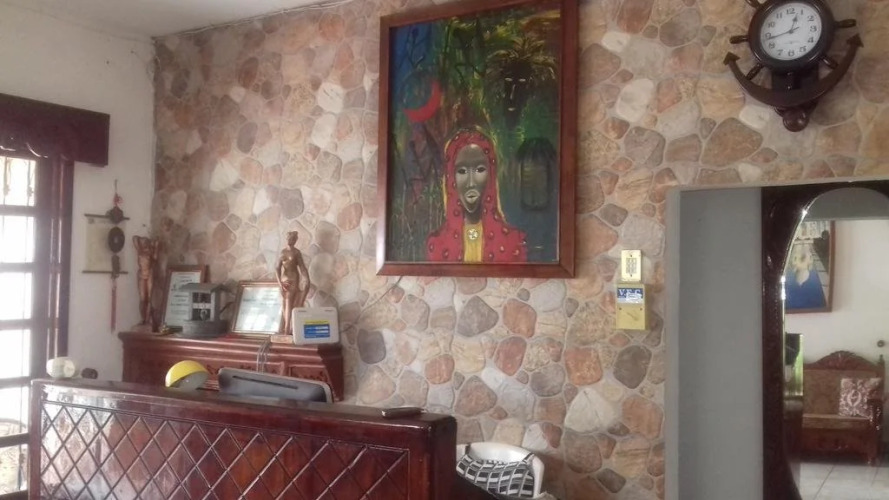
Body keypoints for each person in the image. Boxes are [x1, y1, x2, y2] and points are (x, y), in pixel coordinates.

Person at [426, 129, 527, 263]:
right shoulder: (437, 244)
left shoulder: (513, 242)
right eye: (462, 171)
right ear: (451, 178)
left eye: (479, 170)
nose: (471, 183)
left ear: (491, 175)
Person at [276, 230, 310, 336]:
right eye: (288, 238)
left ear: (295, 240)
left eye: (291, 239)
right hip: (284, 280)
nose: (289, 240)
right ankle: (287, 326)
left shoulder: (296, 252)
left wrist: (306, 278)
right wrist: (279, 283)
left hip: (293, 278)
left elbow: (302, 267)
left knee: (289, 300)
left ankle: (287, 328)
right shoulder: (282, 252)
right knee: (285, 302)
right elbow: (277, 268)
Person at [785, 243, 826, 310]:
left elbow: (795, 258)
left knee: (799, 246)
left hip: (799, 248)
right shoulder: (802, 265)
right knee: (803, 247)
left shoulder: (798, 265)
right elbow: (809, 257)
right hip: (803, 249)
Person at [132, 236, 160, 326]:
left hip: (149, 274)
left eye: (146, 242)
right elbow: (134, 238)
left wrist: (155, 246)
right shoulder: (139, 251)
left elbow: (155, 258)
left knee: (149, 298)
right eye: (143, 242)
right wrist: (143, 240)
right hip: (141, 275)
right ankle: (143, 318)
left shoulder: (151, 252)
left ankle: (147, 319)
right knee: (142, 299)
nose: (145, 244)